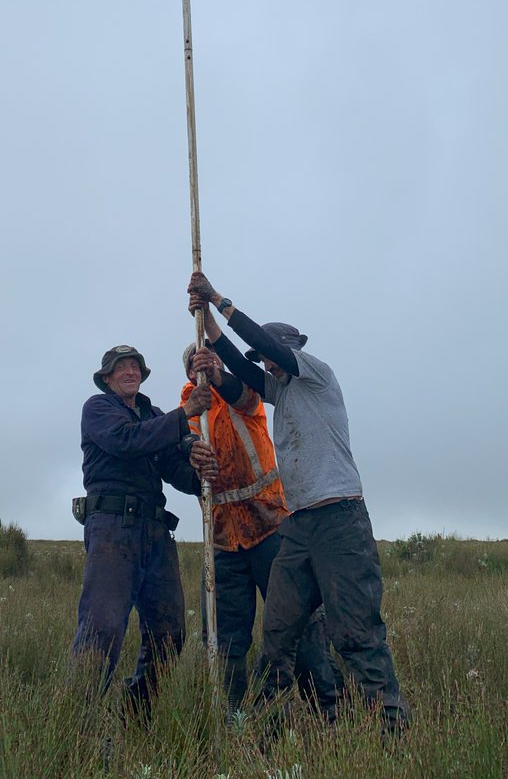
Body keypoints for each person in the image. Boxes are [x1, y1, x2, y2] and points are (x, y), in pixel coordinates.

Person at [187, 275, 411, 732]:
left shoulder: (314, 374)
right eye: (265, 363)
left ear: (288, 349)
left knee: (355, 632)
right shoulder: (281, 390)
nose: (265, 367)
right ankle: (269, 729)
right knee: (278, 634)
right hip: (298, 525)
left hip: (339, 519)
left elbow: (256, 342)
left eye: (270, 357)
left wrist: (220, 301)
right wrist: (206, 322)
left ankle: (391, 732)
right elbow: (240, 363)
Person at [181, 342, 342, 719]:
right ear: (187, 372)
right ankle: (236, 718)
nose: (202, 365)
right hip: (222, 540)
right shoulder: (188, 413)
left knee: (299, 624)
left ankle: (330, 713)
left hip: (270, 527)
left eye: (209, 358)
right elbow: (180, 466)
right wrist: (188, 450)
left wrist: (219, 375)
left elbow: (245, 398)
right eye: (195, 362)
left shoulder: (244, 394)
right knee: (226, 641)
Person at [72, 343, 217, 721]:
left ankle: (135, 713)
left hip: (155, 531)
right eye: (121, 367)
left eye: (135, 366)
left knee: (170, 633)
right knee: (102, 627)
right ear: (107, 378)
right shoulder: (99, 408)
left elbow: (173, 469)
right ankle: (76, 724)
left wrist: (198, 469)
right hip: (112, 530)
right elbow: (127, 442)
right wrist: (184, 413)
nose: (130, 371)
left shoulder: (152, 415)